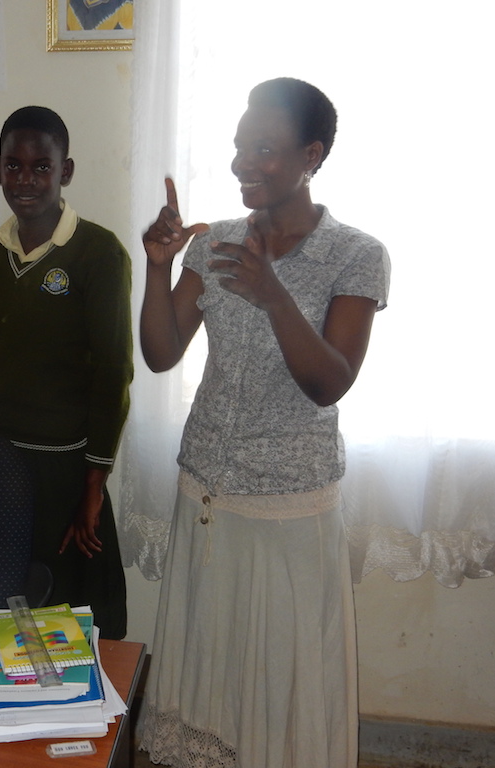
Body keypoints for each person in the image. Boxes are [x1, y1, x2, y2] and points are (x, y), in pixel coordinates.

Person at [136, 78, 390, 767]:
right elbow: (161, 354)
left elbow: (329, 381)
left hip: (289, 513)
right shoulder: (214, 243)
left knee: (283, 682)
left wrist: (274, 295)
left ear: (312, 155)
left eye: (264, 149)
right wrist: (157, 270)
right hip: (207, 496)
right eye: (239, 147)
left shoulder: (356, 255)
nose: (243, 163)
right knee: (209, 682)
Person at [0, 106, 132, 640]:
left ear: (65, 171)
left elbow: (112, 372)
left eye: (40, 167)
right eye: (13, 166)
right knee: (3, 607)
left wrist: (94, 482)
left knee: (69, 615)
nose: (25, 180)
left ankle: (78, 714)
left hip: (65, 467)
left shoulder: (99, 253)